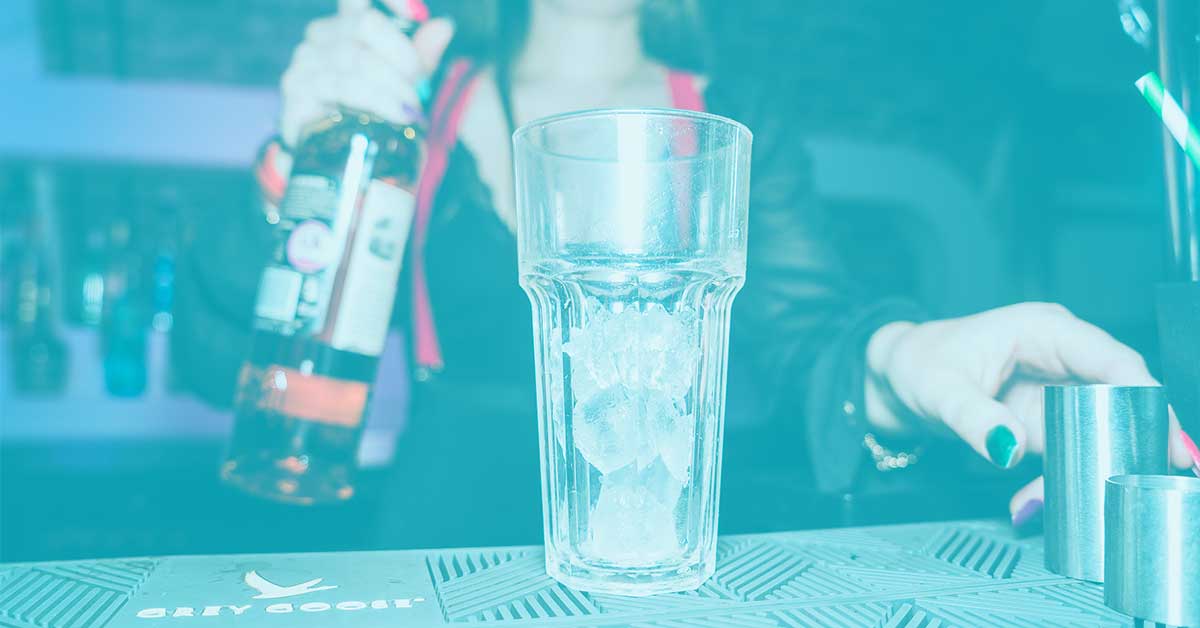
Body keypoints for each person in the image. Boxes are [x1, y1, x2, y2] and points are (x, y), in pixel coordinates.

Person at [177, 0, 1195, 546]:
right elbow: (213, 361)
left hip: (661, 535)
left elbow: (809, 334)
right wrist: (292, 168)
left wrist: (899, 361)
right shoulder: (412, 102)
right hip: (447, 534)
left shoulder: (730, 116)